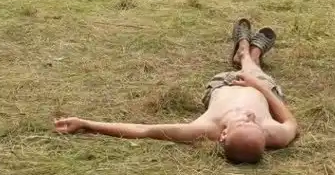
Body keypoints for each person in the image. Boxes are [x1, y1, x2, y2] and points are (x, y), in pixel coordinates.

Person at [54, 19, 298, 164]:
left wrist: (86, 123)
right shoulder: (274, 135)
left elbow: (143, 131)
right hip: (264, 88)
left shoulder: (204, 130)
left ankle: (246, 52)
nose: (252, 117)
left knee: (250, 69)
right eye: (256, 125)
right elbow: (289, 122)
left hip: (223, 84)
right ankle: (250, 56)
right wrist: (259, 86)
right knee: (254, 72)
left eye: (246, 122)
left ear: (223, 136)